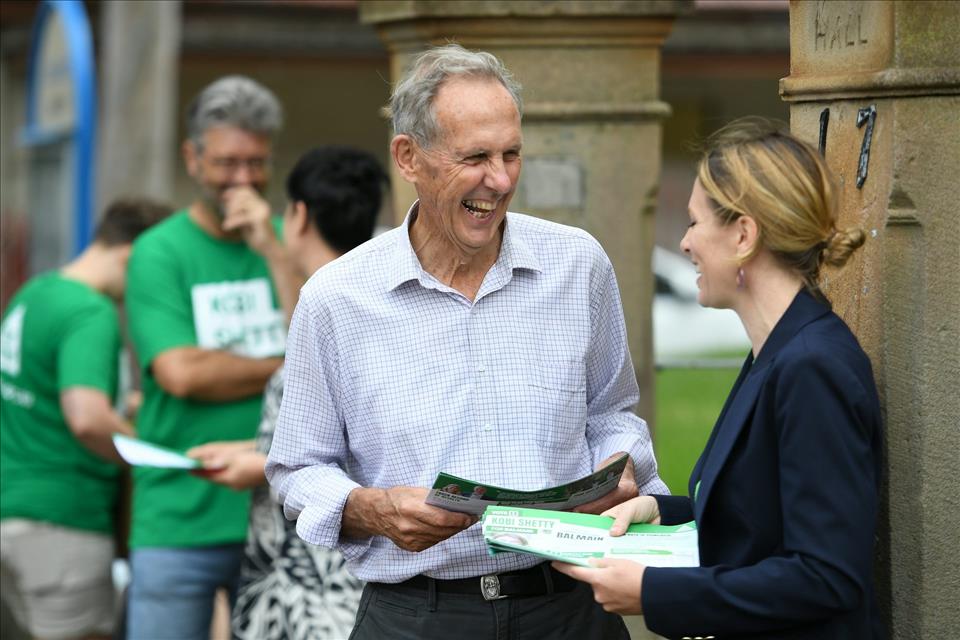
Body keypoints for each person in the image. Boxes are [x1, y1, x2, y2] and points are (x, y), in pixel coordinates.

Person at [266, 43, 667, 639]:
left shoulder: (577, 265)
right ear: (408, 157)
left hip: (569, 609)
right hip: (414, 616)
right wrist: (374, 510)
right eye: (475, 156)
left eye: (512, 154)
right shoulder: (337, 297)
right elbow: (296, 469)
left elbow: (612, 414)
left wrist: (618, 464)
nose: (500, 180)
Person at [553, 119, 884, 639]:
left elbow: (826, 576)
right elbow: (761, 519)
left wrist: (655, 593)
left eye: (692, 223)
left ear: (744, 235)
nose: (684, 244)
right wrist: (662, 511)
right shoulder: (776, 352)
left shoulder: (811, 367)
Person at [123, 75, 303, 639]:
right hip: (180, 516)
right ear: (193, 159)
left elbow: (324, 353)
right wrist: (285, 365)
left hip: (280, 516)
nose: (243, 179)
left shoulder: (285, 241)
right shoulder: (159, 250)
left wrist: (273, 253)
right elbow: (181, 373)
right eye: (227, 163)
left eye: (256, 163)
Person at [185, 145, 387, 639]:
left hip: (316, 587)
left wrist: (254, 463)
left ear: (297, 215)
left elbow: (337, 450)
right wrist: (249, 451)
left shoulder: (331, 304)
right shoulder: (385, 296)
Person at [0, 198, 171, 640]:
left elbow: (42, 393)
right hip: (63, 526)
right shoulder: (89, 311)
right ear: (132, 255)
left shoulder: (35, 293)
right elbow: (88, 420)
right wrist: (158, 460)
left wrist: (127, 407)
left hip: (13, 515)